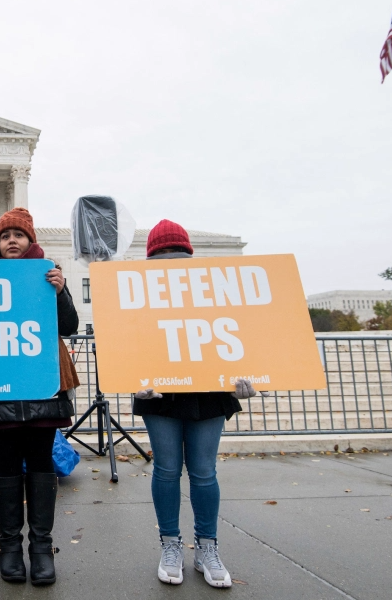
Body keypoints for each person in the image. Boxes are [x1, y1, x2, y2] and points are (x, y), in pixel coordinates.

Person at [131, 219, 259, 589]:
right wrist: (133, 382)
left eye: (177, 255)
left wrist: (246, 380)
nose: (171, 261)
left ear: (190, 257)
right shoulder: (141, 298)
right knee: (167, 470)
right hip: (159, 392)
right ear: (151, 260)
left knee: (204, 472)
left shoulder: (212, 292)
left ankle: (207, 548)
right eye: (163, 256)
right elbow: (133, 344)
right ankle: (170, 545)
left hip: (207, 393)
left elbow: (238, 333)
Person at [0, 207, 80, 586]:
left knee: (39, 462)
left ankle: (41, 548)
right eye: (5, 236)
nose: (12, 241)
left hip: (42, 388)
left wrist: (61, 289)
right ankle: (9, 548)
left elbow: (68, 326)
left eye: (18, 235)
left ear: (30, 241)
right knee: (4, 464)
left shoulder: (47, 274)